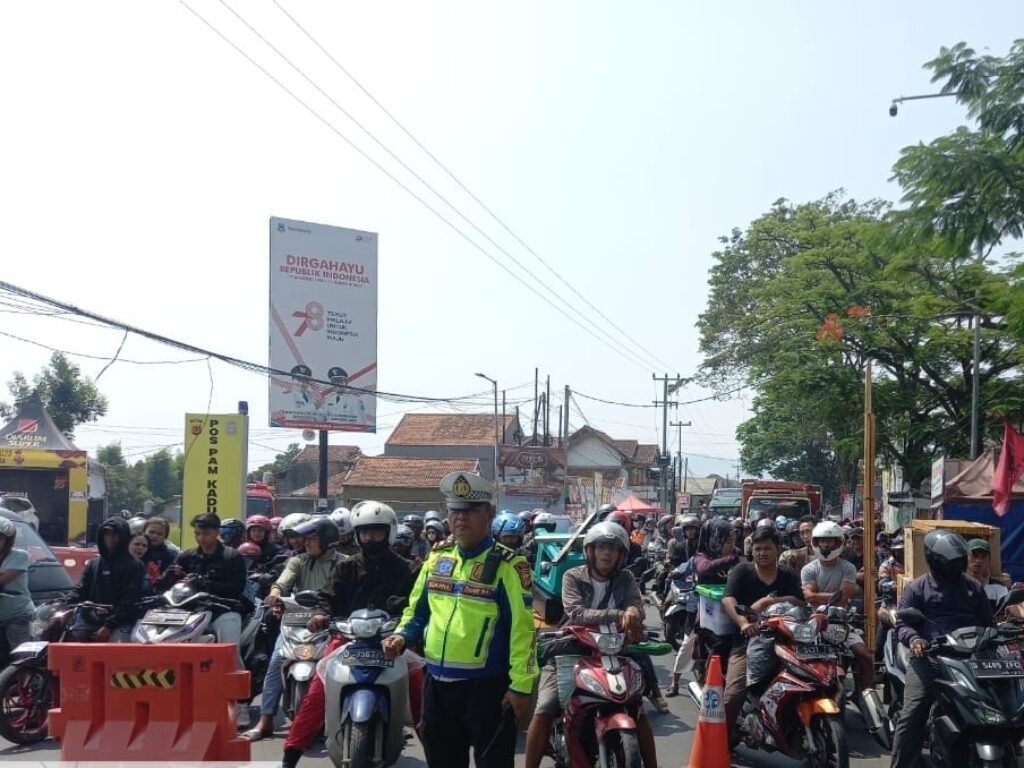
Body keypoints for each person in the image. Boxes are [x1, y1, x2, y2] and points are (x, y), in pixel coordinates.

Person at [381, 472, 538, 768]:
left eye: (470, 510)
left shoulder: (509, 566)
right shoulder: (437, 558)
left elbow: (523, 630)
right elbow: (416, 610)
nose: (461, 518)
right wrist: (401, 635)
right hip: (437, 686)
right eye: (455, 510)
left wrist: (521, 687)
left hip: (487, 689)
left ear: (489, 514)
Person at [278, 502, 415, 768]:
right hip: (348, 639)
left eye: (376, 532)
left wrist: (407, 630)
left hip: (393, 641)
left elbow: (417, 604)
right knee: (317, 691)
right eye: (365, 532)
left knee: (421, 684)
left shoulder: (408, 569)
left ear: (389, 532)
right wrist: (319, 615)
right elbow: (327, 598)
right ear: (356, 534)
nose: (370, 538)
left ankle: (436, 753)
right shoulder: (346, 567)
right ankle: (290, 756)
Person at [524, 522, 659, 768]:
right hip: (571, 647)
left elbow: (635, 604)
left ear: (621, 555)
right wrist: (618, 615)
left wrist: (632, 611)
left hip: (615, 649)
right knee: (545, 707)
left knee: (638, 709)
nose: (607, 553)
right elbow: (576, 612)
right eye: (602, 547)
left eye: (613, 548)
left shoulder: (626, 578)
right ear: (590, 551)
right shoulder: (572, 576)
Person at [890, 530, 993, 768]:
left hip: (969, 659)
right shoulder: (917, 588)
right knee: (913, 713)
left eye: (960, 560)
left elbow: (988, 624)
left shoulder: (973, 588)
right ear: (936, 561)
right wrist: (915, 639)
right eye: (953, 562)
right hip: (930, 658)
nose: (959, 565)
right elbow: (903, 623)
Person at [243, 517, 346, 742]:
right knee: (275, 663)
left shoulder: (345, 563)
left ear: (327, 540)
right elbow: (282, 582)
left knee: (341, 667)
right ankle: (266, 720)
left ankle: (345, 719)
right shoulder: (298, 561)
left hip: (332, 624)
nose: (306, 543)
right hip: (297, 621)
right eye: (305, 538)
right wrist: (275, 594)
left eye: (312, 538)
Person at [722, 526, 804, 738]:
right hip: (747, 641)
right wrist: (743, 623)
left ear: (777, 549)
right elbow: (728, 599)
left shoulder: (787, 574)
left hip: (785, 642)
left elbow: (799, 600)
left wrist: (770, 600)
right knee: (733, 695)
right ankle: (723, 738)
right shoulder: (741, 571)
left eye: (767, 548)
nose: (762, 553)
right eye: (758, 548)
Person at [165, 512, 249, 716]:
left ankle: (242, 704)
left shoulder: (232, 556)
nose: (202, 538)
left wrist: (204, 583)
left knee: (231, 651)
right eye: (198, 534)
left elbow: (236, 588)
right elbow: (169, 587)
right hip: (191, 612)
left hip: (224, 610)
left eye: (206, 533)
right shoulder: (187, 556)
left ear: (217, 532)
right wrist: (170, 576)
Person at [667, 516, 741, 696]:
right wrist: (733, 558)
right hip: (702, 611)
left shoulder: (735, 556)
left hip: (730, 611)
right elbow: (705, 568)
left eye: (733, 541)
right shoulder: (701, 557)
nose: (731, 545)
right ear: (715, 539)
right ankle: (675, 682)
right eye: (727, 541)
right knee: (687, 645)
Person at [801, 522, 874, 702]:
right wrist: (828, 595)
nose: (825, 546)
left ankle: (864, 696)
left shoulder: (847, 567)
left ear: (839, 542)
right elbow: (809, 596)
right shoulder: (809, 569)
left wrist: (817, 595)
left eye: (830, 541)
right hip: (815, 622)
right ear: (815, 543)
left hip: (842, 622)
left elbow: (842, 598)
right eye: (822, 541)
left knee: (864, 656)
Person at [68, 516, 145, 642]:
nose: (111, 538)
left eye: (115, 535)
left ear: (124, 537)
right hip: (91, 619)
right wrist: (65, 601)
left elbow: (129, 600)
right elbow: (81, 589)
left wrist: (109, 625)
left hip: (120, 623)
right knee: (69, 638)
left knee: (117, 647)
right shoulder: (94, 563)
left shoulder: (134, 565)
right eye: (107, 534)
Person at [0, 517, 36, 659]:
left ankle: (27, 681)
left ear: (8, 540)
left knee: (21, 658)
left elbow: (5, 577)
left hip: (17, 615)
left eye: (0, 537)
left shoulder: (19, 556)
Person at [965, 538, 1008, 603]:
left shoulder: (999, 588)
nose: (978, 560)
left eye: (983, 557)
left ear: (989, 561)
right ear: (965, 558)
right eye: (974, 555)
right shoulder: (955, 585)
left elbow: (1007, 609)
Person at [141, 516, 178, 588]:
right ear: (144, 531)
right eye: (151, 532)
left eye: (160, 534)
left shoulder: (172, 555)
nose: (154, 536)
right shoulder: (135, 549)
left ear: (165, 536)